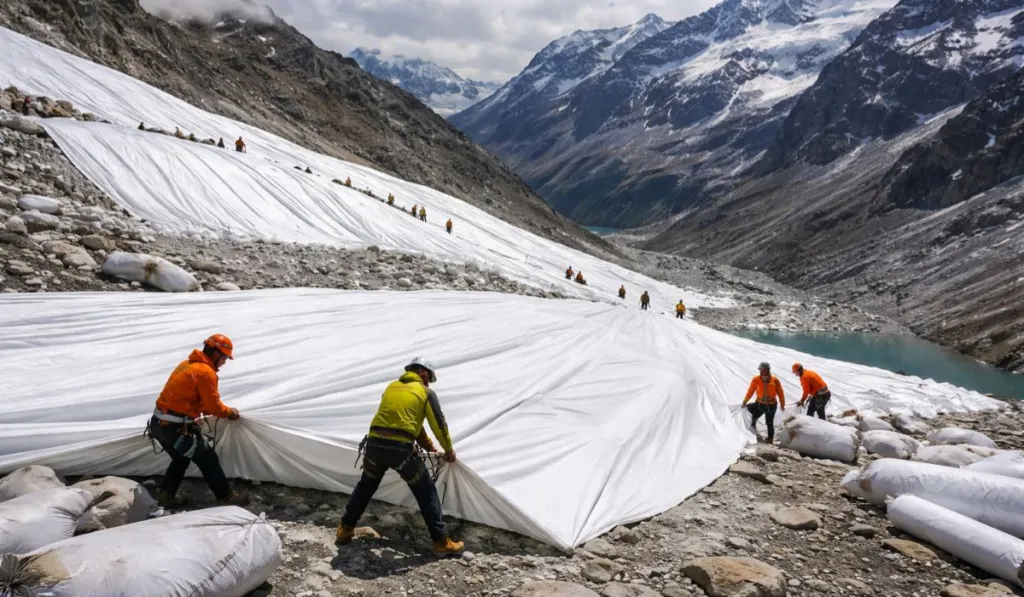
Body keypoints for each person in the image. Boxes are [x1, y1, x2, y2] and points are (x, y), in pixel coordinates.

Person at [336, 358, 464, 555]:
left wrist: (428, 446)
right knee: (426, 491)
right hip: (399, 450)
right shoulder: (426, 393)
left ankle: (344, 530)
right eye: (429, 379)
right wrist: (448, 450)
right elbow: (439, 425)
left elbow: (407, 421)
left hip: (373, 445)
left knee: (366, 486)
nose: (428, 384)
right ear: (423, 373)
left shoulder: (391, 388)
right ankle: (441, 542)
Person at [147, 334, 247, 508]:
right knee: (207, 458)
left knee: (180, 459)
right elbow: (214, 407)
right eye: (224, 357)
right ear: (216, 353)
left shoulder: (186, 365)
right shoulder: (205, 373)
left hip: (158, 425)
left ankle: (166, 497)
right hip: (174, 428)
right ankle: (225, 497)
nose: (224, 362)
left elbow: (192, 400)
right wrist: (229, 413)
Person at [742, 362, 786, 443]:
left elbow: (780, 393)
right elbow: (750, 391)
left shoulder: (775, 380)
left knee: (769, 422)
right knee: (748, 410)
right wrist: (745, 401)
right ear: (760, 370)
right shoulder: (756, 379)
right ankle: (752, 431)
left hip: (771, 405)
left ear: (768, 370)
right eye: (762, 369)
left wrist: (782, 404)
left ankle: (770, 438)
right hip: (759, 404)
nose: (764, 371)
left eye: (765, 369)